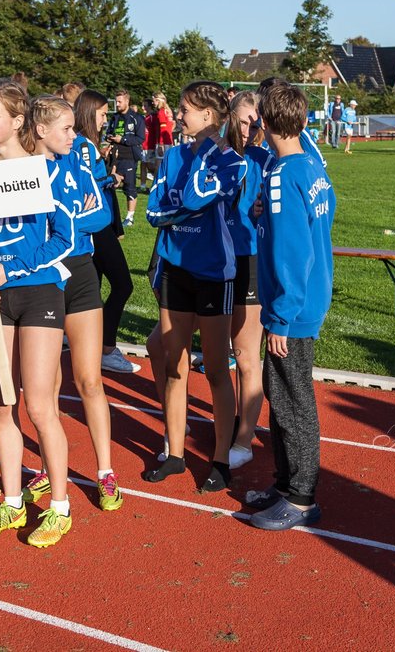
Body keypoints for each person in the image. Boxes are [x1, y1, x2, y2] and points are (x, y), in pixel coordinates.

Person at [0, 79, 75, 548]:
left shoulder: (45, 170)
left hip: (40, 292)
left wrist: (12, 269)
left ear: (17, 120)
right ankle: (11, 502)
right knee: (1, 403)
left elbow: (65, 237)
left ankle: (60, 507)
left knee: (39, 405)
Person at [20, 95, 125, 514]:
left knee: (89, 380)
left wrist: (59, 222)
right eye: (65, 127)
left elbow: (99, 216)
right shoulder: (21, 165)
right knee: (44, 390)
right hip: (42, 278)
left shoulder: (78, 156)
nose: (76, 134)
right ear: (40, 129)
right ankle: (50, 466)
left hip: (79, 271)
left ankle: (105, 472)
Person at [143, 81, 245, 492]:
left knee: (218, 369)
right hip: (174, 268)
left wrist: (181, 197)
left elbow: (190, 195)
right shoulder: (171, 154)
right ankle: (176, 454)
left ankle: (220, 461)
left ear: (208, 116)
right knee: (173, 365)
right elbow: (153, 210)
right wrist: (178, 207)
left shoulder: (230, 160)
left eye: (185, 109)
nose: (178, 115)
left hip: (213, 272)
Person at [245, 82, 335, 530]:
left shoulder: (282, 175)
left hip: (292, 309)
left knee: (292, 402)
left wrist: (280, 317)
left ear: (263, 121)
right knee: (282, 397)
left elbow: (293, 254)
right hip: (302, 300)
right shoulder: (310, 166)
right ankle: (285, 484)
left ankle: (301, 497)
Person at [72, 90, 137, 374]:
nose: (104, 120)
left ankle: (90, 345)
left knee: (92, 290)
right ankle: (106, 348)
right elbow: (88, 185)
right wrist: (112, 178)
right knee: (123, 284)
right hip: (95, 225)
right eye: (101, 114)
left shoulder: (83, 143)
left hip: (93, 225)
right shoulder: (84, 145)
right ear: (89, 114)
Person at [222, 91, 269, 470]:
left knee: (245, 353)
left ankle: (245, 437)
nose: (248, 129)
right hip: (215, 259)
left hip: (249, 257)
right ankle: (234, 422)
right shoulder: (217, 155)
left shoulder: (263, 157)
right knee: (224, 349)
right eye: (242, 120)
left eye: (254, 122)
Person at [106, 89, 144, 228]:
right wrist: (109, 137)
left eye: (119, 101)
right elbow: (108, 132)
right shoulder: (114, 117)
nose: (117, 104)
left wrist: (123, 139)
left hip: (129, 157)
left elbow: (140, 138)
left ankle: (130, 217)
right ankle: (111, 215)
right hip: (114, 156)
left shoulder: (137, 118)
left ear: (127, 101)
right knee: (110, 185)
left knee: (129, 187)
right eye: (116, 101)